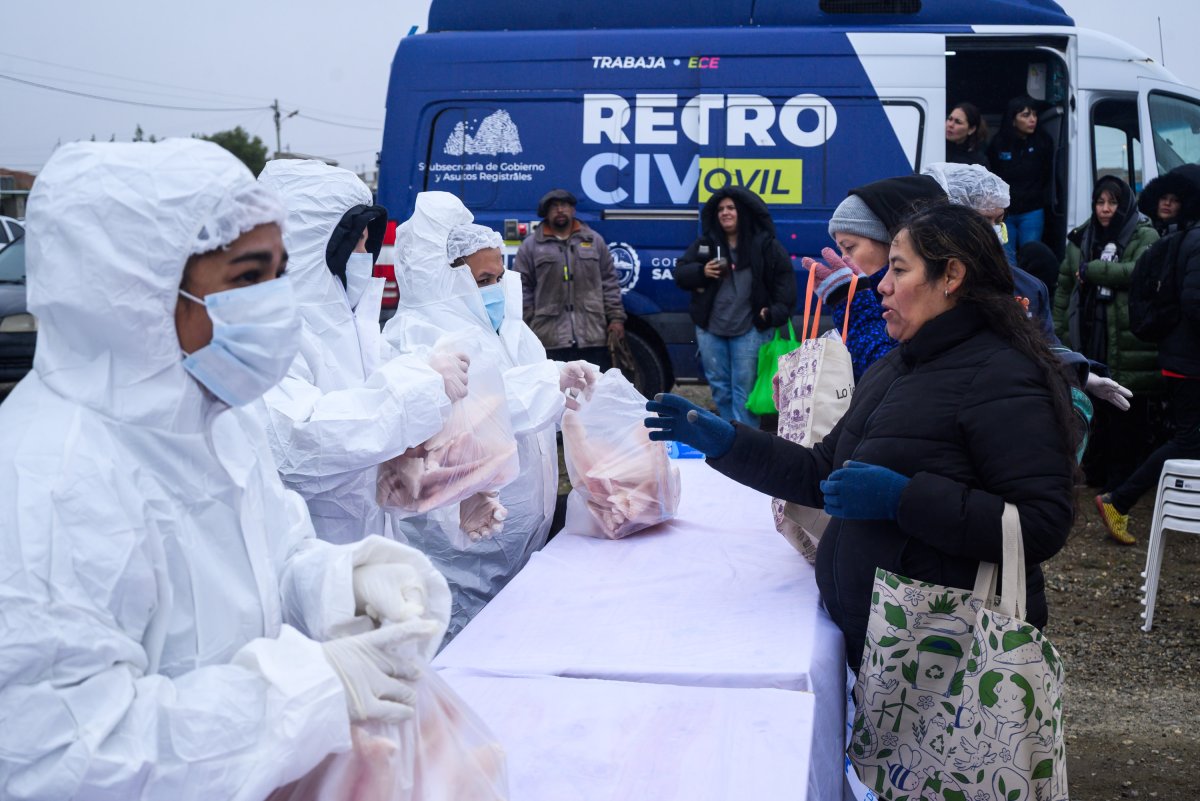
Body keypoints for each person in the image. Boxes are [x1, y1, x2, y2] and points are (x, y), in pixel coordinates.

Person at [0, 139, 452, 798]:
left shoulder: (215, 414)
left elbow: (270, 554)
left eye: (278, 273)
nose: (275, 304)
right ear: (138, 292)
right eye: (246, 278)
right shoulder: (51, 480)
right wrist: (310, 690)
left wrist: (341, 581)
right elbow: (65, 756)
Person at [646, 202, 1077, 669]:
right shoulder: (897, 364)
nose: (882, 286)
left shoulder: (1004, 375)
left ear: (950, 275)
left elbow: (1041, 525)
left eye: (898, 270)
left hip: (950, 657)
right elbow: (821, 473)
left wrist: (904, 499)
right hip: (885, 644)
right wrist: (729, 443)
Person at [383, 192, 594, 640]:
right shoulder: (421, 334)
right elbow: (480, 411)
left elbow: (535, 406)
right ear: (448, 276)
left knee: (509, 634)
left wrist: (568, 395)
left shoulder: (507, 329)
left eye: (500, 277)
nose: (495, 290)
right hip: (459, 543)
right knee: (461, 637)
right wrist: (548, 383)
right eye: (483, 280)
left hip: (516, 532)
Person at [255, 159, 470, 545]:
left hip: (360, 535)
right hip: (307, 546)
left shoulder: (347, 320)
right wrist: (422, 383)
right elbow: (298, 444)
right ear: (313, 240)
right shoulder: (268, 328)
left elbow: (373, 409)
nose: (363, 249)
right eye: (355, 236)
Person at [1097, 164, 1200, 544]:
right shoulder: (1196, 239)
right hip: (1190, 361)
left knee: (1189, 438)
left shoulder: (1180, 236)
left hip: (1178, 356)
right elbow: (1195, 302)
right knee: (1188, 440)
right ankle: (1119, 500)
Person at [1054, 175, 1160, 502]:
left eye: (1112, 203)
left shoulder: (1145, 234)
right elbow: (1064, 287)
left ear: (1125, 204)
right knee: (1094, 409)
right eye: (1100, 202)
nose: (1105, 209)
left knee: (1126, 414)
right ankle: (1095, 473)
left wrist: (1092, 271)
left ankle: (1121, 480)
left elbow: (1136, 272)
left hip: (1127, 339)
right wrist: (1058, 333)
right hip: (1090, 333)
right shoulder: (1082, 236)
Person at [673, 186, 797, 425]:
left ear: (742, 211)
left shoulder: (765, 245)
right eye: (720, 209)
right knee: (720, 389)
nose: (725, 213)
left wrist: (772, 314)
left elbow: (785, 283)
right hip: (711, 329)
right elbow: (680, 273)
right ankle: (728, 441)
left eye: (731, 208)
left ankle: (746, 446)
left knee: (745, 392)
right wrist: (701, 271)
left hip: (749, 329)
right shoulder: (707, 244)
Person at [803, 174, 946, 380]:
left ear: (891, 243)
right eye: (840, 249)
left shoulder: (921, 302)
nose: (844, 259)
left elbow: (888, 376)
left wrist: (853, 308)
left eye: (850, 247)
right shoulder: (874, 297)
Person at [513, 188, 626, 371]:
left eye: (564, 205)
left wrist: (616, 319)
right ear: (546, 213)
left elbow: (609, 283)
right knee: (556, 394)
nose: (560, 210)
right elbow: (521, 288)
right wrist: (530, 322)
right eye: (554, 207)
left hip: (591, 336)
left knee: (592, 393)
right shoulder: (531, 246)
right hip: (549, 339)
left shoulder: (594, 241)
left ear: (573, 210)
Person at [987, 96, 1054, 251]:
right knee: (1007, 259)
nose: (1032, 120)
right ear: (1013, 119)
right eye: (1026, 115)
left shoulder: (1042, 142)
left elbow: (1047, 174)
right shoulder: (999, 143)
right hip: (1005, 213)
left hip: (1033, 211)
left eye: (1035, 115)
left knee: (1030, 254)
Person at [1137, 166, 1195, 237]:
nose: (1167, 203)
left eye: (1175, 200)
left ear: (1184, 205)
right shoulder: (1140, 229)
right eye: (1163, 198)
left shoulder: (1187, 235)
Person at [945, 102, 990, 168]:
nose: (950, 125)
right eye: (950, 119)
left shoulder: (978, 163)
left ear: (971, 129)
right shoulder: (933, 148)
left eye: (958, 122)